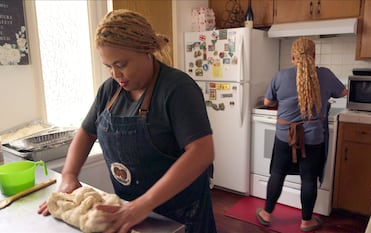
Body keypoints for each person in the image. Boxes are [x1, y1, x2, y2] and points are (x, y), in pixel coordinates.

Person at [38, 9, 217, 233]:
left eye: (121, 64)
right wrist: (68, 176)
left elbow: (202, 152)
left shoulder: (177, 89)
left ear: (146, 50)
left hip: (181, 215)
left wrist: (144, 203)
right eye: (108, 67)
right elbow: (86, 133)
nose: (115, 74)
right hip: (129, 213)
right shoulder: (110, 90)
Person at [255, 38, 348, 232]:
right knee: (308, 178)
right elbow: (343, 92)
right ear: (314, 56)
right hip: (313, 137)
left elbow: (267, 101)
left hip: (284, 136)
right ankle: (306, 222)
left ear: (293, 57)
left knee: (277, 174)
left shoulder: (280, 76)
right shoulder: (325, 74)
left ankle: (266, 213)